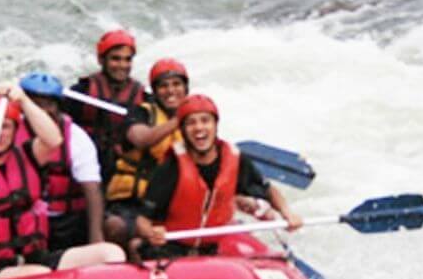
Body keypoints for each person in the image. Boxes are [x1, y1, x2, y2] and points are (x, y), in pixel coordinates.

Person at [0, 86, 124, 279]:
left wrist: (24, 101)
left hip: (34, 257)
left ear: (16, 130)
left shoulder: (28, 155)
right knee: (38, 275)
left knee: (111, 253)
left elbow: (53, 138)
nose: (0, 134)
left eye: (6, 127)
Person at [132, 94, 302, 261]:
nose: (199, 128)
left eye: (205, 121)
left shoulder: (235, 159)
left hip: (212, 248)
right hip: (171, 248)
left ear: (215, 125)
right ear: (182, 130)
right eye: (191, 123)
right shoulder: (171, 167)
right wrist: (151, 233)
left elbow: (268, 190)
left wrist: (287, 213)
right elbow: (142, 220)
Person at [103, 57, 189, 246]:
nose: (171, 91)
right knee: (116, 227)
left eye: (177, 84)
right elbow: (142, 139)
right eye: (163, 86)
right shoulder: (140, 113)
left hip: (169, 203)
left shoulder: (195, 123)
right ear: (155, 92)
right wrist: (179, 120)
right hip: (131, 203)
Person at [15, 72, 106, 250]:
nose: (42, 110)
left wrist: (96, 236)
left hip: (65, 223)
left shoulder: (77, 138)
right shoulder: (9, 133)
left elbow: (92, 189)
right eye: (35, 104)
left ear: (58, 107)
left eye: (48, 104)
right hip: (23, 220)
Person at [62, 29, 148, 185]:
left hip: (120, 167)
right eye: (115, 59)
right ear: (101, 60)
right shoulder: (81, 92)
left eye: (127, 60)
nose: (122, 65)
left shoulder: (144, 98)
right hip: (85, 162)